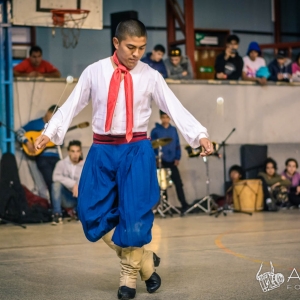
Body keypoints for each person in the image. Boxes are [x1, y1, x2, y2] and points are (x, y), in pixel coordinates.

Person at [34, 19, 212, 300]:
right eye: (131, 47)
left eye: (141, 48)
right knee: (90, 212)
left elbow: (174, 107)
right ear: (116, 43)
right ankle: (145, 261)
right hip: (103, 149)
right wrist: (49, 131)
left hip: (136, 149)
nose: (136, 54)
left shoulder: (150, 75)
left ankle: (128, 276)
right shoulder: (94, 72)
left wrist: (199, 134)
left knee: (134, 215)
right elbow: (71, 105)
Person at [16, 105, 60, 202]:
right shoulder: (35, 124)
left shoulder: (56, 127)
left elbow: (61, 142)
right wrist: (27, 142)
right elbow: (19, 132)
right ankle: (55, 209)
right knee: (50, 182)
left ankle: (62, 207)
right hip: (43, 157)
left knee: (59, 182)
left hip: (56, 158)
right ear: (48, 112)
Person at [150, 110, 189, 213]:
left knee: (178, 183)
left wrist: (177, 157)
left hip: (172, 161)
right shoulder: (155, 131)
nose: (165, 119)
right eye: (163, 117)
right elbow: (152, 146)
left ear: (169, 118)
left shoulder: (173, 130)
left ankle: (184, 204)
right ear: (161, 118)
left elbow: (177, 144)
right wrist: (156, 159)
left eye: (167, 117)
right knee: (162, 185)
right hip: (161, 161)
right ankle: (163, 206)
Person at [51, 140, 84, 225]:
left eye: (77, 151)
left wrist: (78, 186)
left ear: (81, 152)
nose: (75, 154)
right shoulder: (61, 164)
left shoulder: (85, 165)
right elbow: (55, 177)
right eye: (73, 151)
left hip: (79, 198)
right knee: (56, 185)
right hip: (66, 197)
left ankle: (77, 212)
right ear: (68, 152)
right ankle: (57, 215)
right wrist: (73, 184)